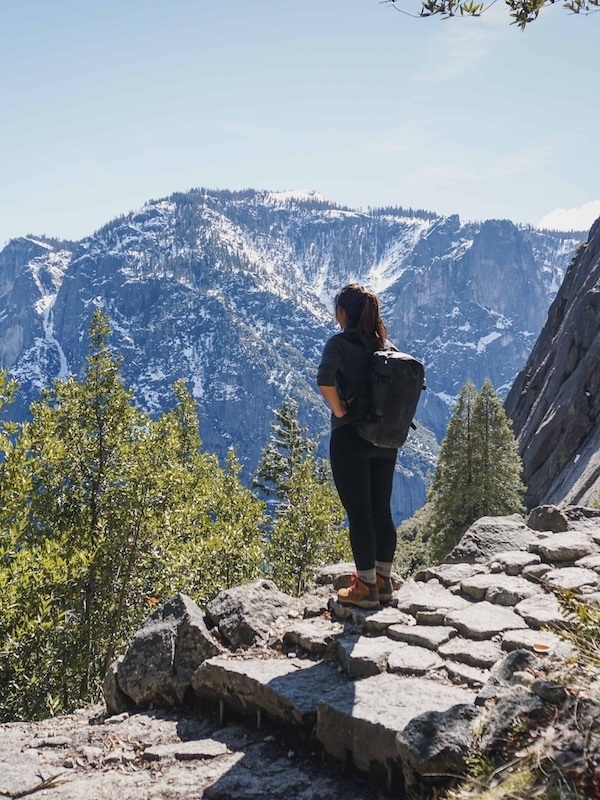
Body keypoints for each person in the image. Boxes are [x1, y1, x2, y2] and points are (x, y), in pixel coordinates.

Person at [317, 283, 397, 609]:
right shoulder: (385, 346)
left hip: (351, 438)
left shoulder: (339, 343)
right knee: (381, 511)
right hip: (386, 440)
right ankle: (383, 581)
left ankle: (364, 588)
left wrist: (340, 411)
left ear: (342, 313)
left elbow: (324, 378)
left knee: (359, 514)